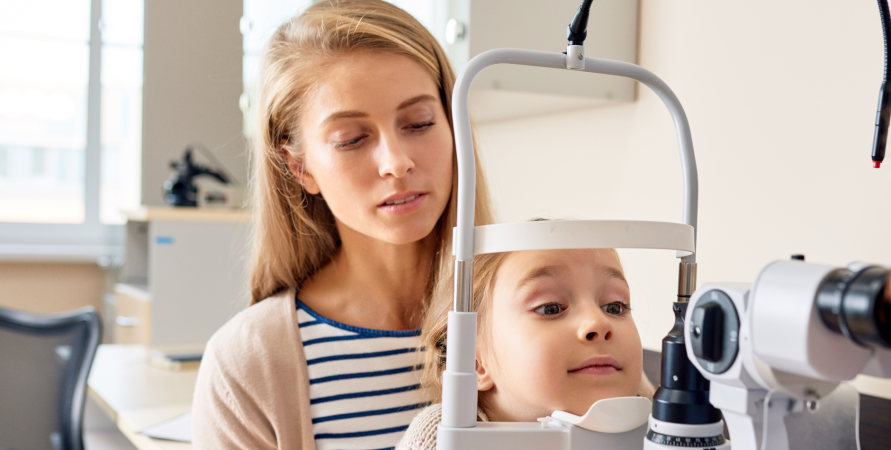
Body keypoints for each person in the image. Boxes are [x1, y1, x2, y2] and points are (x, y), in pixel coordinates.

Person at [191, 2, 494, 449]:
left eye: (420, 123)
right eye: (351, 139)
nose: (397, 162)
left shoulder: (533, 313)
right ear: (299, 168)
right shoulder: (246, 365)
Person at [397, 248, 647, 450]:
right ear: (474, 362)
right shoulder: (442, 434)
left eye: (615, 307)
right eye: (550, 308)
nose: (598, 323)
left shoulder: (659, 430)